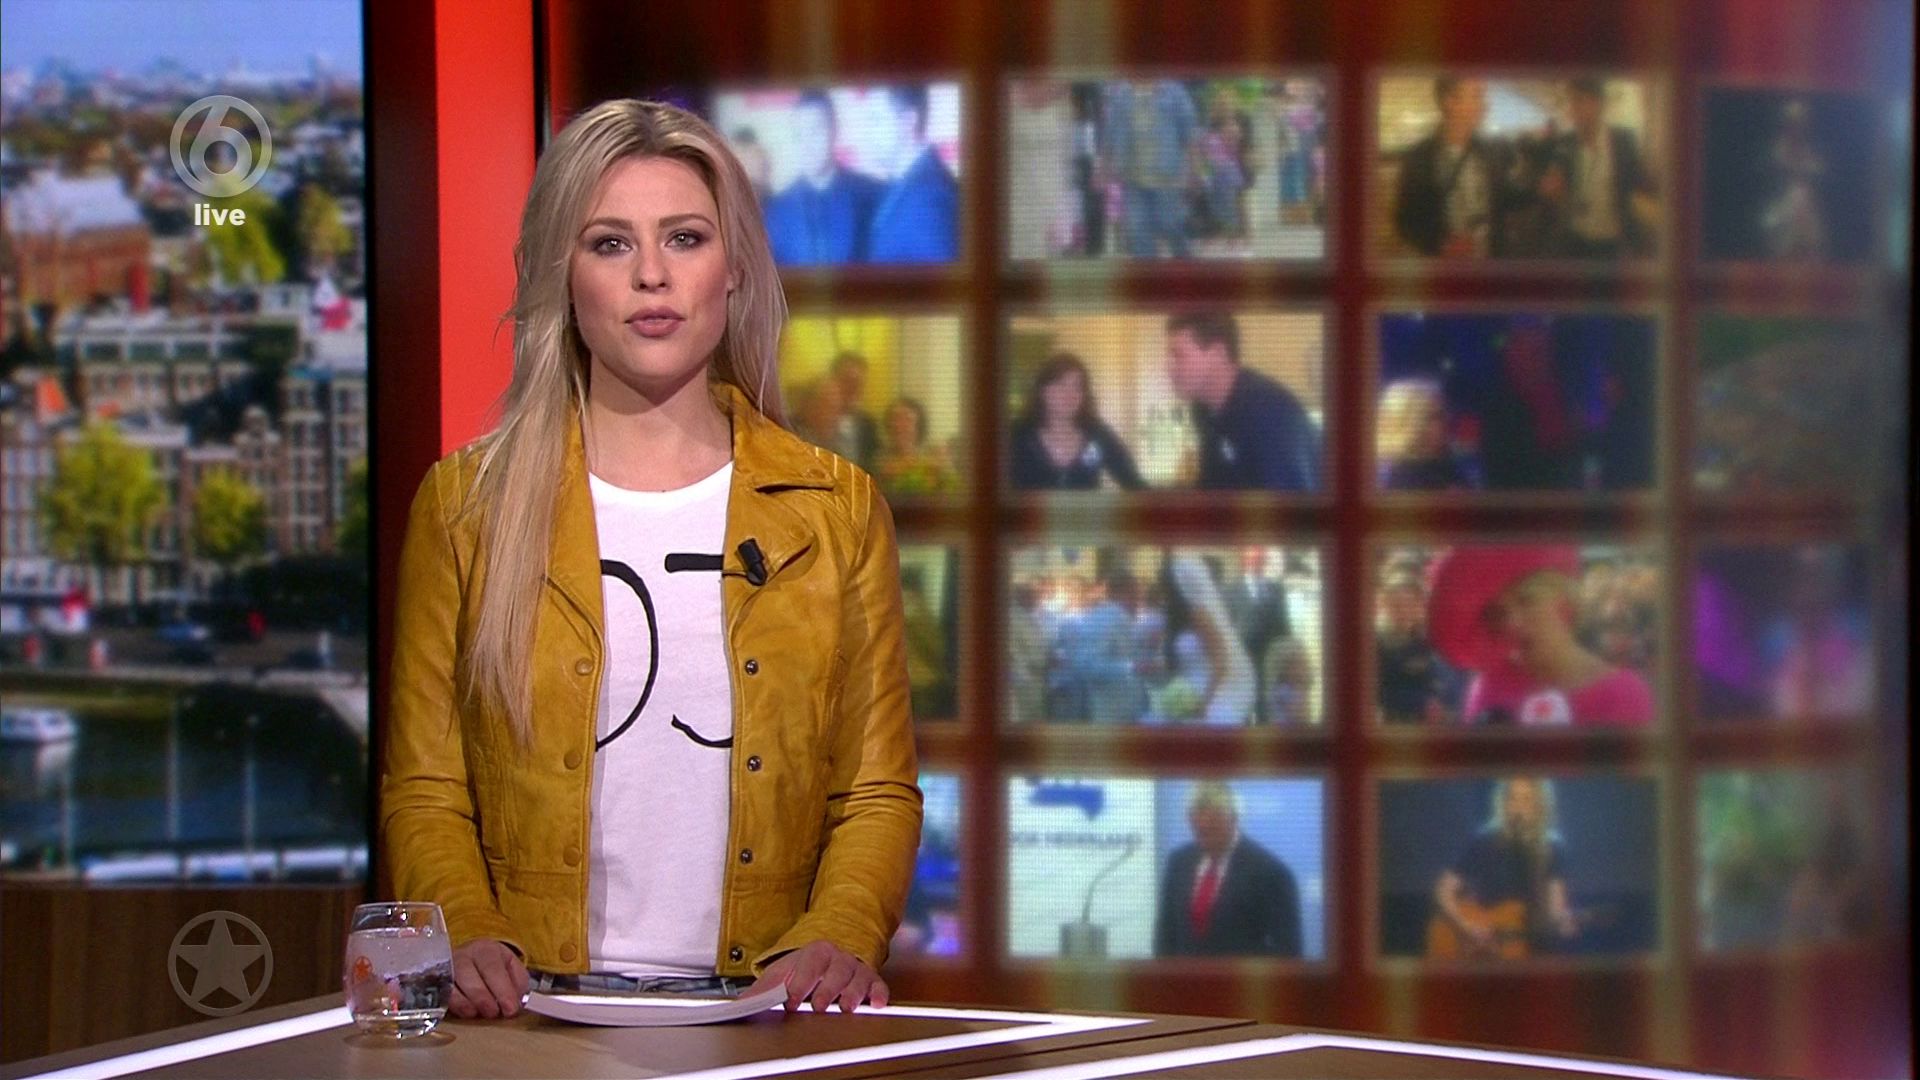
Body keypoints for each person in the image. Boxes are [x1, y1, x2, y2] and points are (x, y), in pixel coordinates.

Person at [382, 100, 921, 1020]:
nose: (652, 275)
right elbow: (427, 786)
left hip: (762, 1015)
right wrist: (466, 930)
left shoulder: (834, 510)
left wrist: (839, 932)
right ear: (561, 275)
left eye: (685, 238)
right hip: (528, 1020)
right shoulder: (467, 507)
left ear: (734, 267)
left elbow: (873, 788)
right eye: (609, 244)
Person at [1426, 545, 1654, 727]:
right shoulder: (1488, 687)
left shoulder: (1624, 694)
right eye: (1497, 613)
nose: (1512, 623)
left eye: (1527, 602)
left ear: (1562, 601)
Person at [1165, 311, 1323, 492]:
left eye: (1178, 355)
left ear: (1217, 354)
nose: (1168, 367)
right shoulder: (1202, 409)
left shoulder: (1269, 415)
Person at [1431, 778, 1580, 958]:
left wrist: (1563, 922)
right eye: (1512, 798)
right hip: (1483, 949)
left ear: (1540, 806)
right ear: (1503, 802)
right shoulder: (1485, 840)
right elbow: (1443, 891)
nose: (1518, 807)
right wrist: (1464, 926)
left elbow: (1556, 909)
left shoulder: (1554, 847)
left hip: (1531, 947)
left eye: (1527, 799)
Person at [1153, 782, 1301, 956]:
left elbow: (1287, 952)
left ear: (1234, 818)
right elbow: (1165, 935)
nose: (1204, 830)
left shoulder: (1270, 873)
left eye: (1213, 825)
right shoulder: (1178, 862)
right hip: (1183, 974)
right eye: (1198, 828)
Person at [1392, 77, 1522, 258]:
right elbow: (1406, 221)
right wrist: (1441, 246)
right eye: (1477, 96)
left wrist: (1537, 189)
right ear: (1450, 102)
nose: (1486, 105)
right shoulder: (1420, 158)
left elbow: (1505, 195)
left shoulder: (1493, 149)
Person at [761, 91, 884, 265]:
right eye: (800, 134)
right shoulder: (777, 211)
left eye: (815, 131)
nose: (807, 144)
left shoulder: (870, 196)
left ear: (834, 131)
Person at [1541, 78, 1657, 258]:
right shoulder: (1566, 143)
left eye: (1579, 100)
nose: (1572, 109)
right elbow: (1555, 185)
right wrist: (1552, 191)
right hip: (1573, 241)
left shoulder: (1623, 141)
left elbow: (1640, 184)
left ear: (1599, 104)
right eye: (1570, 102)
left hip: (1612, 242)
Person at [1007, 352, 1146, 490]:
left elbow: (1134, 483)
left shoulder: (1098, 434)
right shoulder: (1016, 435)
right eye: (1060, 384)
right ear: (1042, 390)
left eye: (1077, 387)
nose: (1069, 394)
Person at [1102, 79, 1201, 257]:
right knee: (1138, 231)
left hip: (1167, 178)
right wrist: (1103, 168)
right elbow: (1109, 134)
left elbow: (1190, 134)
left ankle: (1184, 259)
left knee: (1170, 225)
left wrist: (1194, 171)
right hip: (1133, 178)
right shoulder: (1121, 96)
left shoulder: (1175, 93)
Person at [867, 86, 960, 263]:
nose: (867, 134)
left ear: (908, 121)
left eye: (876, 120)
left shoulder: (931, 200)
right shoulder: (902, 184)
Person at [1375, 571, 1465, 725]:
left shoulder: (1424, 635)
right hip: (1400, 720)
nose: (1404, 611)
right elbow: (1377, 691)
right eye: (1396, 605)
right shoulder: (1377, 641)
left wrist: (1442, 699)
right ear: (1385, 604)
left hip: (1436, 715)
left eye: (1411, 604)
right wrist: (1421, 702)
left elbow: (1435, 673)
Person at [1376, 378, 1480, 491]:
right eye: (1437, 416)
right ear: (1412, 424)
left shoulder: (1450, 463)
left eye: (1447, 412)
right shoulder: (1402, 479)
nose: (1448, 419)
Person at [874, 397, 959, 495]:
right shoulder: (879, 459)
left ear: (919, 425)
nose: (899, 425)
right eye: (895, 418)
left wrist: (944, 466)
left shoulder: (933, 456)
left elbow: (953, 488)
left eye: (907, 419)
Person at [828, 351, 879, 469]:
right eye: (848, 381)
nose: (854, 388)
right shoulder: (817, 420)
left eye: (859, 383)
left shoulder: (869, 424)